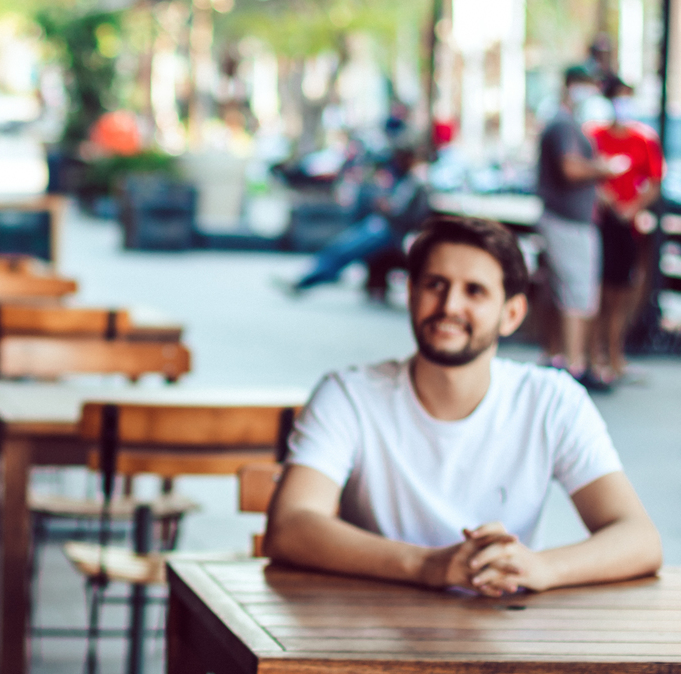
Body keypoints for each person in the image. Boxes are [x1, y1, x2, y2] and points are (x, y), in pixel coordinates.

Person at [264, 216, 661, 596]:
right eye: (436, 284)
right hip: (369, 634)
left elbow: (639, 538)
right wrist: (427, 566)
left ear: (512, 314)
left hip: (502, 635)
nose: (450, 305)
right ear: (412, 293)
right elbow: (290, 526)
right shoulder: (348, 396)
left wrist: (542, 568)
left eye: (475, 291)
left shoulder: (552, 400)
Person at [535, 65, 617, 390]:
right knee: (574, 292)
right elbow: (569, 169)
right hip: (566, 219)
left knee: (571, 291)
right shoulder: (563, 124)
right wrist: (602, 169)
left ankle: (566, 358)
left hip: (572, 218)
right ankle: (572, 364)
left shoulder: (568, 124)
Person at [586, 77, 664, 382]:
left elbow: (654, 183)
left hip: (628, 226)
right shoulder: (593, 135)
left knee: (620, 293)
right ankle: (594, 355)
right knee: (597, 293)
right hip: (601, 224)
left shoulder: (644, 139)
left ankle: (614, 354)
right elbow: (588, 176)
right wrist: (607, 199)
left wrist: (631, 208)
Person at [288, 147, 429, 295]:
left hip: (393, 234)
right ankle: (309, 277)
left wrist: (388, 209)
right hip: (381, 226)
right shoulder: (398, 179)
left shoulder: (416, 184)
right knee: (343, 246)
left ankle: (309, 279)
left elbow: (413, 217)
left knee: (349, 247)